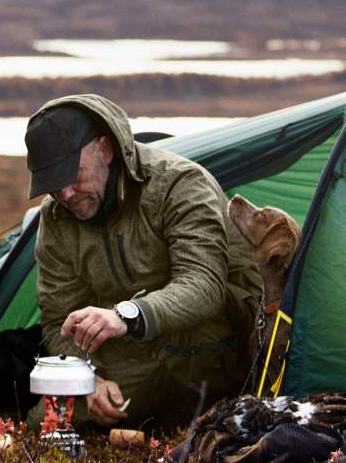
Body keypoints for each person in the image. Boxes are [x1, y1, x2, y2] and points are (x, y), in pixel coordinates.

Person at [25, 94, 262, 432]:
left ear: (105, 150)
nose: (65, 194)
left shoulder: (178, 184)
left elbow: (204, 284)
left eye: (73, 174)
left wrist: (127, 315)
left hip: (212, 340)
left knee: (199, 349)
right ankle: (156, 417)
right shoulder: (56, 217)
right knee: (45, 423)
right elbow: (57, 321)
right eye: (52, 184)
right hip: (134, 349)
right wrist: (88, 379)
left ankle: (196, 411)